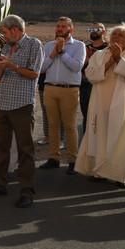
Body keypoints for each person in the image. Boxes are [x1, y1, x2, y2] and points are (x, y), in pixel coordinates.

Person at [0, 15, 43, 208]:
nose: (4, 36)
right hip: (3, 104)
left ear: (16, 29)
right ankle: (0, 184)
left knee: (25, 149)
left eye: (5, 32)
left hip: (22, 105)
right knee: (0, 146)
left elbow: (34, 74)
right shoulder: (7, 47)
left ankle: (27, 191)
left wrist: (12, 66)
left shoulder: (34, 44)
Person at [75, 24, 125, 187]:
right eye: (114, 36)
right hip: (100, 103)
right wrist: (110, 61)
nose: (117, 39)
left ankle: (121, 175)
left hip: (124, 104)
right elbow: (90, 75)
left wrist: (119, 58)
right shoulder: (99, 55)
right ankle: (99, 172)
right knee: (100, 136)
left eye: (121, 36)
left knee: (122, 139)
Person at [39, 17, 86, 174]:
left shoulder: (79, 46)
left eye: (63, 26)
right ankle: (54, 158)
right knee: (53, 125)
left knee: (70, 126)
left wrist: (63, 52)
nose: (59, 29)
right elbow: (42, 68)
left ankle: (73, 160)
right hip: (50, 88)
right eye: (58, 26)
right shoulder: (48, 46)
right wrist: (53, 53)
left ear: (71, 29)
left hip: (69, 90)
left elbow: (77, 67)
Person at [80, 23, 108, 132]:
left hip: (102, 85)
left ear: (104, 32)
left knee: (102, 115)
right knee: (86, 114)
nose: (93, 31)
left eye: (97, 29)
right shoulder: (84, 48)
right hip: (85, 85)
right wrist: (86, 60)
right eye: (91, 29)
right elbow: (79, 66)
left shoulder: (109, 48)